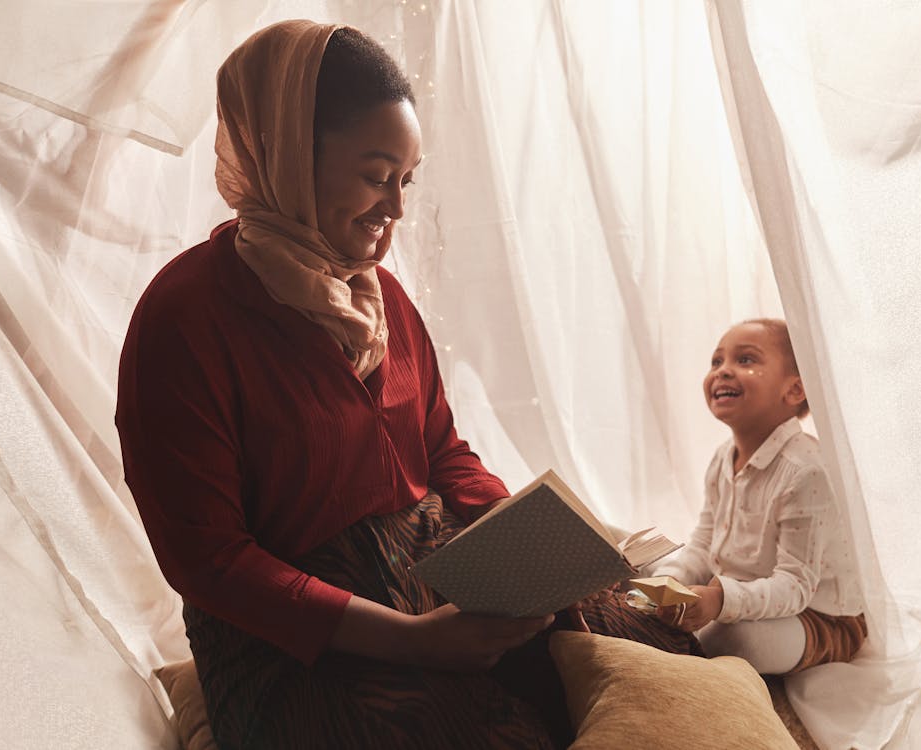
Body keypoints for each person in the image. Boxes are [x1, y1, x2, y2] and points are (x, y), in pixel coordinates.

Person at [116, 20, 696, 750]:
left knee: (640, 645)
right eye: (374, 174)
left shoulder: (378, 294)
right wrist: (414, 641)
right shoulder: (184, 319)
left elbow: (441, 448)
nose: (394, 207)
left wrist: (536, 546)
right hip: (298, 636)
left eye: (406, 180)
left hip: (437, 566)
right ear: (291, 152)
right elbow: (211, 563)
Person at [647, 319, 866, 675]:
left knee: (736, 641)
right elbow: (704, 542)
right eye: (716, 362)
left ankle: (673, 642)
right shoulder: (723, 458)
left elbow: (794, 587)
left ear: (795, 391)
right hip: (745, 593)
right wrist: (670, 580)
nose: (723, 372)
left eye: (745, 360)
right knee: (651, 568)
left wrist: (720, 599)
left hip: (818, 616)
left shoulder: (806, 471)